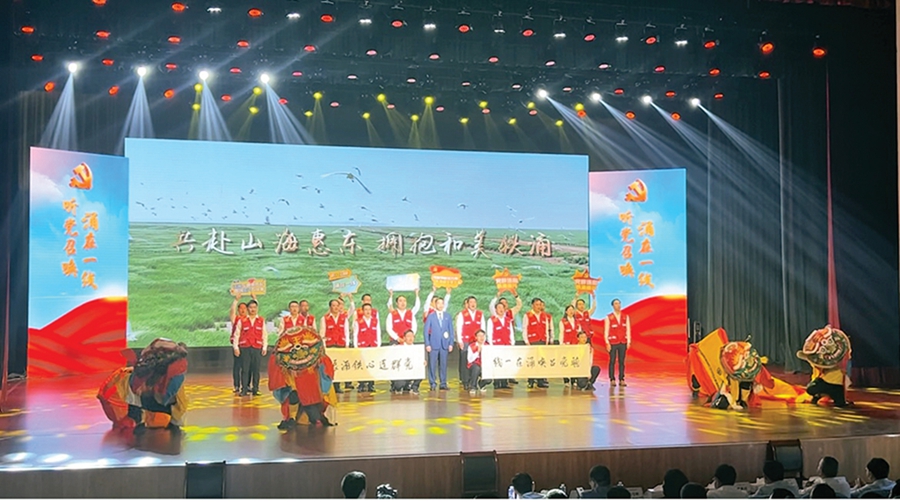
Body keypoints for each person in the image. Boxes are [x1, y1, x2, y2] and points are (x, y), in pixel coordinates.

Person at [232, 299, 267, 396]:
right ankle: (244, 389)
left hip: (257, 347)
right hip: (245, 347)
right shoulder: (242, 320)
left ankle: (256, 389)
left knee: (256, 369)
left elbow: (264, 334)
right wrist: (236, 347)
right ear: (248, 309)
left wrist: (264, 347)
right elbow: (237, 334)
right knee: (245, 369)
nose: (253, 309)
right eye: (251, 307)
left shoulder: (261, 320)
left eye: (254, 307)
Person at [424, 297, 454, 391]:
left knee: (443, 364)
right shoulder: (431, 316)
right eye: (438, 303)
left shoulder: (447, 316)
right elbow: (426, 331)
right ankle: (432, 383)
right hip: (433, 344)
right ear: (435, 305)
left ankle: (443, 383)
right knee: (432, 364)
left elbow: (451, 330)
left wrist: (451, 343)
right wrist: (427, 344)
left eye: (442, 303)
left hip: (444, 344)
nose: (440, 305)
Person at [456, 296, 486, 391]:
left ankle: (474, 381)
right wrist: (459, 340)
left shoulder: (480, 314)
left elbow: (483, 328)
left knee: (476, 362)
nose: (473, 304)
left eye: (474, 302)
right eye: (471, 302)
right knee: (465, 361)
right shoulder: (462, 314)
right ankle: (465, 381)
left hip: (476, 342)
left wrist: (483, 340)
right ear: (467, 304)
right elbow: (459, 327)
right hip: (465, 341)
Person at [321, 299, 351, 393]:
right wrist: (324, 347)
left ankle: (337, 386)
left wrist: (347, 344)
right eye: (333, 305)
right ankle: (330, 386)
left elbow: (346, 332)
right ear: (330, 307)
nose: (336, 307)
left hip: (340, 344)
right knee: (330, 367)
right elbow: (322, 333)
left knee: (339, 366)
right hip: (330, 346)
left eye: (337, 305)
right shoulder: (325, 318)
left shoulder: (344, 318)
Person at [524, 298, 551, 388]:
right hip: (532, 341)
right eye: (537, 305)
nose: (539, 307)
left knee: (541, 361)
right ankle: (530, 380)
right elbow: (525, 329)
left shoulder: (544, 316)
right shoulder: (528, 315)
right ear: (532, 305)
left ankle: (541, 380)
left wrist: (547, 340)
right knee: (532, 361)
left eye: (540, 305)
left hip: (542, 340)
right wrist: (526, 341)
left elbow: (546, 329)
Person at [353, 303, 380, 393]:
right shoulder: (358, 321)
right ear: (363, 311)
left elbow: (378, 333)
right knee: (362, 365)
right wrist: (356, 347)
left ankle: (371, 385)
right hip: (362, 346)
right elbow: (355, 334)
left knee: (372, 365)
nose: (368, 311)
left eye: (369, 310)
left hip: (372, 345)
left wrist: (378, 345)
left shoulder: (375, 321)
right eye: (366, 310)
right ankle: (361, 384)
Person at [487, 301, 514, 389]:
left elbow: (511, 333)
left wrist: (512, 343)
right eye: (499, 308)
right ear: (495, 310)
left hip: (507, 345)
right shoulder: (491, 320)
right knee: (497, 363)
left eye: (502, 308)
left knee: (506, 363)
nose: (501, 310)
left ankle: (504, 382)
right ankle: (497, 383)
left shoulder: (508, 320)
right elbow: (489, 333)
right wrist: (491, 345)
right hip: (496, 345)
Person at [604, 298, 631, 387]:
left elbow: (628, 329)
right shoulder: (609, 317)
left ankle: (621, 379)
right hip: (612, 342)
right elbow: (606, 330)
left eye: (619, 303)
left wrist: (628, 341)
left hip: (622, 341)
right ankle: (612, 379)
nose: (618, 305)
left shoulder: (625, 316)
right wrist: (607, 342)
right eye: (616, 303)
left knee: (621, 361)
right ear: (613, 306)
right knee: (612, 361)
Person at [390, 330, 423, 394]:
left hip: (412, 371)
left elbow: (420, 360)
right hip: (401, 373)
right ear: (404, 338)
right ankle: (398, 386)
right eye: (408, 336)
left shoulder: (417, 349)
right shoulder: (398, 348)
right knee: (399, 386)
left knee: (421, 370)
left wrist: (423, 362)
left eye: (412, 336)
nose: (410, 338)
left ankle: (414, 387)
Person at [229, 295, 249, 394]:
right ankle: (236, 385)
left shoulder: (250, 319)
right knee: (237, 366)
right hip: (237, 346)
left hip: (247, 346)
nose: (243, 310)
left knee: (247, 366)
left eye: (244, 308)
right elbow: (232, 311)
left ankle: (246, 385)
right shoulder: (236, 319)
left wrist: (254, 299)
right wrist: (236, 300)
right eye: (241, 308)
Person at [560, 305, 581, 388]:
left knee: (574, 362)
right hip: (566, 345)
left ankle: (573, 379)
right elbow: (561, 333)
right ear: (566, 312)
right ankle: (566, 380)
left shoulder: (577, 321)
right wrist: (561, 344)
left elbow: (580, 333)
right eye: (569, 310)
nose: (571, 311)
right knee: (566, 362)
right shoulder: (563, 321)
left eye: (572, 310)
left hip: (575, 345)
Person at [466, 329, 491, 395]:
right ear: (476, 337)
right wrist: (477, 352)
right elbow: (470, 359)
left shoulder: (488, 346)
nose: (481, 338)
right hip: (474, 365)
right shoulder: (472, 346)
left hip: (484, 366)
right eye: (479, 336)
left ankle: (482, 384)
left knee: (489, 379)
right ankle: (473, 386)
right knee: (476, 368)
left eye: (483, 336)